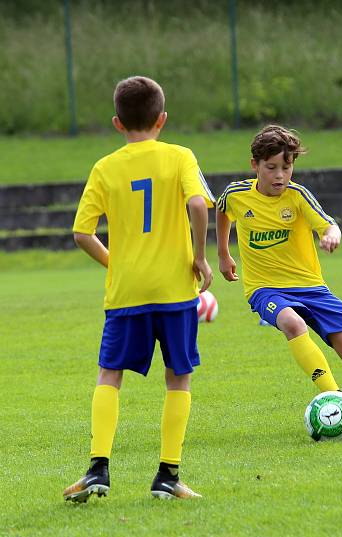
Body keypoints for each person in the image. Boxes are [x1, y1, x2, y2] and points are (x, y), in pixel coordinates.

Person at [64, 76, 214, 502]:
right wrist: (200, 258)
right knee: (178, 377)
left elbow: (81, 233)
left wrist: (119, 263)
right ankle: (167, 475)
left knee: (110, 373)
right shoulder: (180, 156)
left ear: (117, 123)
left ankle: (98, 467)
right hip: (174, 290)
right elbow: (199, 203)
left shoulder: (105, 167)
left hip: (127, 292)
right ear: (162, 119)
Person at [216, 124, 342, 424]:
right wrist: (223, 253)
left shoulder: (298, 196)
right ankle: (337, 400)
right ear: (254, 165)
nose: (280, 175)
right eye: (271, 167)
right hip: (264, 289)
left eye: (287, 167)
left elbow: (327, 223)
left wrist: (332, 235)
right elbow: (222, 211)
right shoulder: (236, 194)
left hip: (311, 287)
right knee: (292, 323)